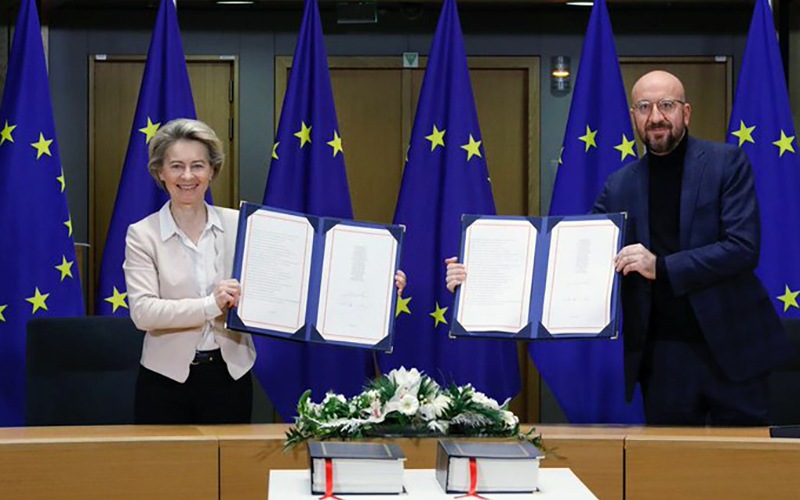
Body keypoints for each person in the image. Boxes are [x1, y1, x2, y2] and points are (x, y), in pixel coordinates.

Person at [447, 70, 790, 426]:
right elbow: (569, 257)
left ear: (685, 112)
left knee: (745, 458)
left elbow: (742, 247)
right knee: (670, 459)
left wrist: (661, 267)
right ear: (633, 116)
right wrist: (479, 276)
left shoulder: (727, 163)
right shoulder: (620, 185)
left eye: (666, 105)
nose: (655, 116)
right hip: (663, 356)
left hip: (736, 348)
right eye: (644, 107)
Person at [125, 118, 407, 424]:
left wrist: (378, 285)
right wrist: (211, 305)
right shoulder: (143, 234)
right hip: (164, 381)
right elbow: (143, 312)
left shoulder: (244, 225)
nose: (188, 176)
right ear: (160, 171)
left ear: (212, 170)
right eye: (176, 166)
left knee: (230, 457)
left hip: (230, 377)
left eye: (198, 166)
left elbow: (304, 278)